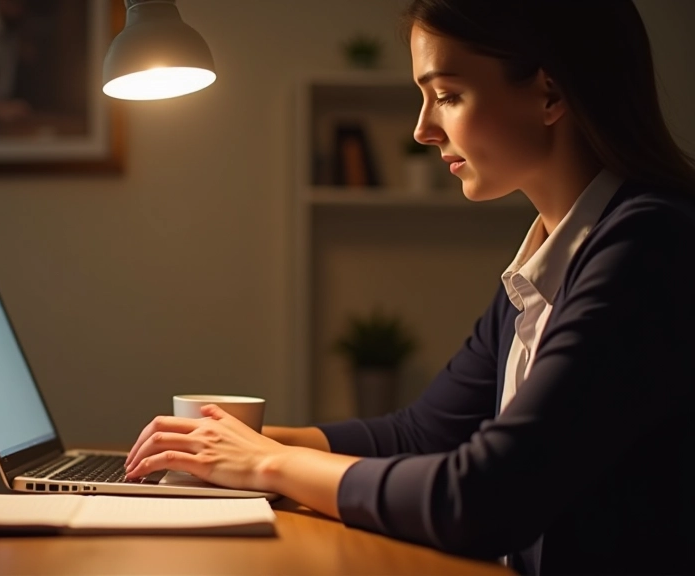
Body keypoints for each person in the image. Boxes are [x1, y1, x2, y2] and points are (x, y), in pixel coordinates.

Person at [123, 1, 695, 574]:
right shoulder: (555, 258)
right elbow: (422, 432)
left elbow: (486, 497)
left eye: (446, 94)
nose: (422, 129)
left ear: (549, 93)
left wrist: (265, 465)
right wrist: (232, 443)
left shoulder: (648, 246)